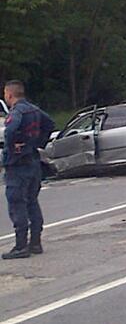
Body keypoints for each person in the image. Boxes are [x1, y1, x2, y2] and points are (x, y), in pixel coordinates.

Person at [2, 80, 54, 259]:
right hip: (33, 161)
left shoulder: (16, 112)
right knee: (32, 201)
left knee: (17, 203)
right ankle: (36, 243)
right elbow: (49, 123)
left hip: (18, 165)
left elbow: (9, 132)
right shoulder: (34, 109)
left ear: (9, 95)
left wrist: (13, 148)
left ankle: (21, 246)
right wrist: (38, 143)